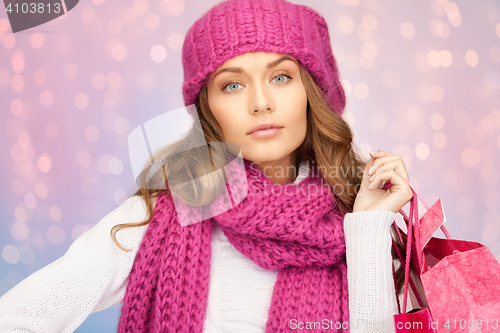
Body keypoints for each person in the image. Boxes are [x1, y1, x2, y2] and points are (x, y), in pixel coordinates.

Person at [0, 0, 414, 331]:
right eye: (232, 84)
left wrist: (366, 229)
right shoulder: (161, 214)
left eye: (281, 77)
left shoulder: (365, 223)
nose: (260, 102)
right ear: (208, 109)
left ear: (313, 92)